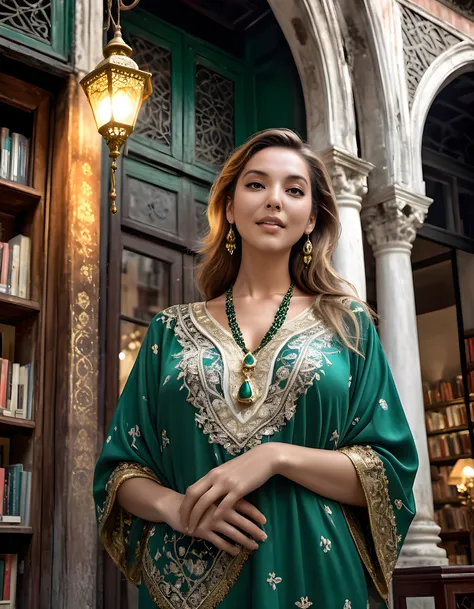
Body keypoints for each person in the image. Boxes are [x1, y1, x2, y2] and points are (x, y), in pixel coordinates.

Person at [94, 128, 418, 609]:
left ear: (311, 219)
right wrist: (175, 508)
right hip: (186, 578)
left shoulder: (349, 325)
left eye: (294, 190)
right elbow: (121, 468)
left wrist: (275, 458)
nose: (274, 200)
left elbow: (388, 471)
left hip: (315, 572)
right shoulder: (168, 330)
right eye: (256, 184)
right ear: (228, 206)